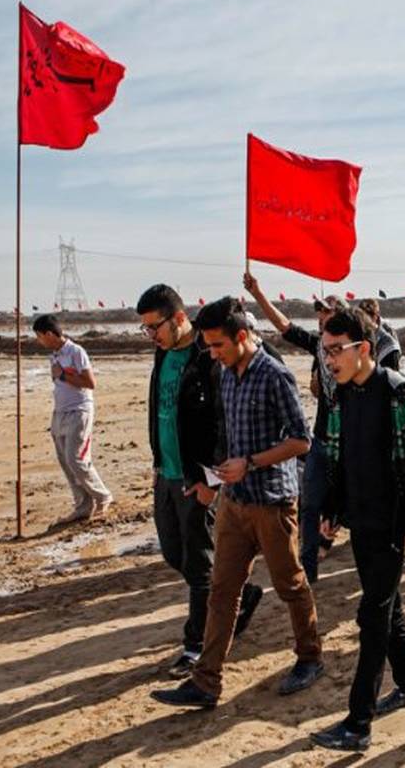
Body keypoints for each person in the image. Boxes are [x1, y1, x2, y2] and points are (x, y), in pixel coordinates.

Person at [151, 297, 321, 709]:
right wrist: (212, 478)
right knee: (222, 591)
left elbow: (302, 441)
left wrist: (251, 463)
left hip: (273, 503)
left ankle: (310, 657)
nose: (212, 354)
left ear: (241, 336)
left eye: (218, 346)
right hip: (233, 502)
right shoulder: (226, 375)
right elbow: (224, 435)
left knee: (290, 584)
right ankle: (206, 682)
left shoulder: (275, 375)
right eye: (208, 346)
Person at [309, 308, 405, 753]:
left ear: (363, 348)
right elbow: (338, 456)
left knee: (372, 616)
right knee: (388, 605)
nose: (329, 360)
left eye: (336, 350)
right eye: (325, 352)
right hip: (361, 522)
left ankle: (358, 723)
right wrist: (332, 508)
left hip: (391, 524)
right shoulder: (343, 394)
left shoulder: (398, 390)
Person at [137, 284, 262, 679]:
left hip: (198, 477)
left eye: (154, 326)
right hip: (166, 472)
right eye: (145, 328)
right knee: (174, 554)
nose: (151, 335)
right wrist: (159, 462)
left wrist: (211, 479)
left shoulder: (208, 354)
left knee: (199, 565)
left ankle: (195, 646)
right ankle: (242, 594)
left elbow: (224, 421)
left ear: (178, 318)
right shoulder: (163, 352)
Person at [244, 271, 344, 583]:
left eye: (327, 313)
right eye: (319, 314)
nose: (321, 318)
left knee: (351, 505)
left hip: (350, 442)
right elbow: (285, 327)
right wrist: (258, 294)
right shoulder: (318, 346)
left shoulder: (356, 352)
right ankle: (309, 569)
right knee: (310, 504)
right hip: (321, 439)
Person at [32, 315, 114, 526]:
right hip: (60, 412)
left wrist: (62, 375)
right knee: (65, 461)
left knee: (76, 459)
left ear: (49, 334)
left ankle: (102, 496)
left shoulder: (76, 352)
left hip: (79, 411)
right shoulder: (54, 355)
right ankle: (83, 505)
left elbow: (90, 382)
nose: (39, 341)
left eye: (40, 336)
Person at [357, 298, 401, 370]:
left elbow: (391, 371)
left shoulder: (388, 343)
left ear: (375, 317)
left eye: (364, 319)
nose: (362, 323)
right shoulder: (360, 336)